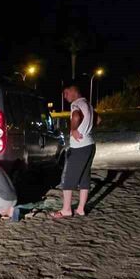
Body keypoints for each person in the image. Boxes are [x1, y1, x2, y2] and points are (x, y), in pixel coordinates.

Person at [52, 81, 98, 219]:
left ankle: (66, 210)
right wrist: (86, 129)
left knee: (68, 179)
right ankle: (81, 209)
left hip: (79, 147)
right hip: (90, 145)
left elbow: (76, 116)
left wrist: (73, 129)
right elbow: (99, 119)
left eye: (66, 93)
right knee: (85, 178)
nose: (65, 97)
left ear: (73, 91)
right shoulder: (87, 104)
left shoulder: (76, 104)